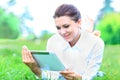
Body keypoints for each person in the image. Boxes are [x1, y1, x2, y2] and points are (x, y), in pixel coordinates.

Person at [22, 4, 104, 80]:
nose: (62, 32)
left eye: (66, 26)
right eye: (58, 28)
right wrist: (35, 69)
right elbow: (51, 76)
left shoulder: (97, 43)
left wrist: (79, 78)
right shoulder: (52, 41)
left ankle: (88, 32)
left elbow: (90, 75)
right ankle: (87, 32)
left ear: (79, 22)